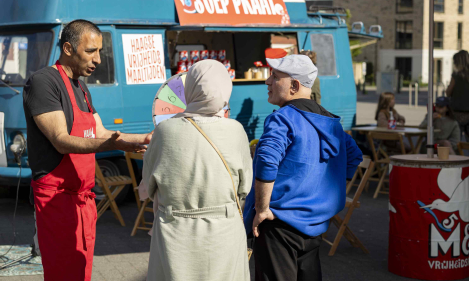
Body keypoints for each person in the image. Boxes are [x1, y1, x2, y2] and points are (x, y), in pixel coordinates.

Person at [23, 19, 151, 281]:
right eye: (91, 51)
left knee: (81, 273)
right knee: (62, 275)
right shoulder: (43, 82)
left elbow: (101, 131)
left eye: (99, 52)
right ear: (68, 49)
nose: (98, 60)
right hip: (56, 201)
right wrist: (112, 143)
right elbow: (60, 139)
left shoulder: (81, 87)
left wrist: (146, 139)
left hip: (84, 201)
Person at [244, 49, 362, 281]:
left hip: (278, 223)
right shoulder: (331, 122)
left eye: (276, 76)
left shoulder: (283, 118)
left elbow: (267, 160)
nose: (268, 81)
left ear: (295, 86)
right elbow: (354, 157)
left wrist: (262, 208)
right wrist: (325, 195)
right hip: (315, 224)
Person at [142, 60, 252, 281]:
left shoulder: (164, 130)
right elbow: (244, 187)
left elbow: (149, 185)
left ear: (190, 87)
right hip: (224, 232)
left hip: (175, 234)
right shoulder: (236, 131)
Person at [447, 50, 469, 140]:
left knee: (456, 141)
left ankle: (457, 154)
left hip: (457, 112)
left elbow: (448, 92)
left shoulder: (456, 75)